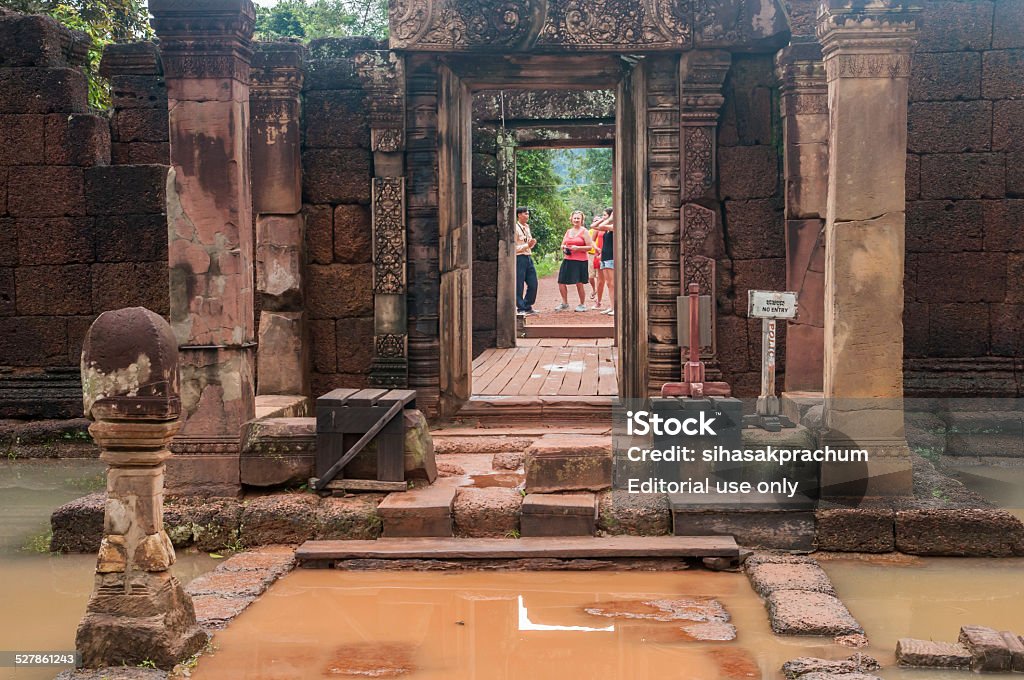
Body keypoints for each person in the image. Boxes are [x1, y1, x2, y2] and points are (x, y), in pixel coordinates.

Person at [555, 210, 597, 312]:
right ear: (571, 219)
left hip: (580, 261)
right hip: (568, 259)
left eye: (578, 218)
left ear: (582, 220)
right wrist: (564, 247)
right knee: (561, 281)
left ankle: (582, 304)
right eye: (575, 218)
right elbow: (562, 244)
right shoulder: (568, 231)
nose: (576, 220)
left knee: (579, 283)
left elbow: (589, 247)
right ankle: (564, 303)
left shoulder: (584, 231)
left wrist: (578, 248)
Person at [514, 206, 538, 316]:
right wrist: (526, 245)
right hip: (519, 257)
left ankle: (527, 305)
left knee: (533, 283)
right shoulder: (515, 228)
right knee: (519, 283)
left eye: (528, 213)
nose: (527, 216)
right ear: (519, 215)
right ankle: (521, 307)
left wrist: (530, 245)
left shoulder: (527, 227)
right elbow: (513, 248)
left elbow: (527, 243)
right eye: (525, 214)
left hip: (528, 257)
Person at [591, 207, 614, 316]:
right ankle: (611, 306)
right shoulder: (607, 229)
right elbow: (593, 226)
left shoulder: (615, 226)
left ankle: (615, 307)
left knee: (613, 284)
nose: (603, 217)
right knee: (609, 284)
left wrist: (610, 218)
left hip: (611, 257)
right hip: (604, 257)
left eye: (604, 215)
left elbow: (600, 226)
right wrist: (605, 218)